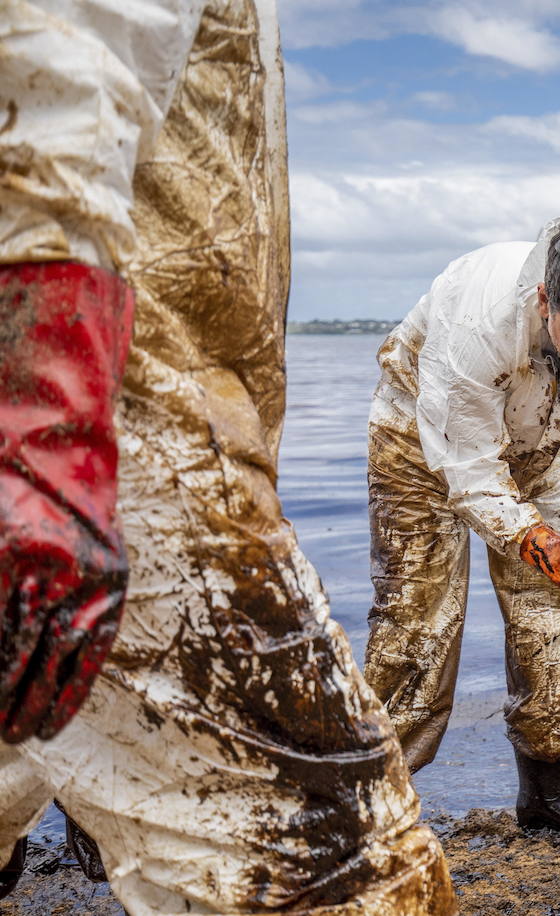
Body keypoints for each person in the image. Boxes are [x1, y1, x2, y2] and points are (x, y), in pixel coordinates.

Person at [0, 2, 456, 912]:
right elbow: (59, 48)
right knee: (341, 860)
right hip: (122, 413)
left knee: (37, 706)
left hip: (152, 400)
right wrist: (44, 413)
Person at [363, 212, 560, 840]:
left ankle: (546, 794)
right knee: (417, 625)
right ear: (545, 299)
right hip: (421, 448)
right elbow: (472, 472)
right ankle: (370, 800)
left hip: (540, 445)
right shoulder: (478, 320)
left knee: (555, 618)